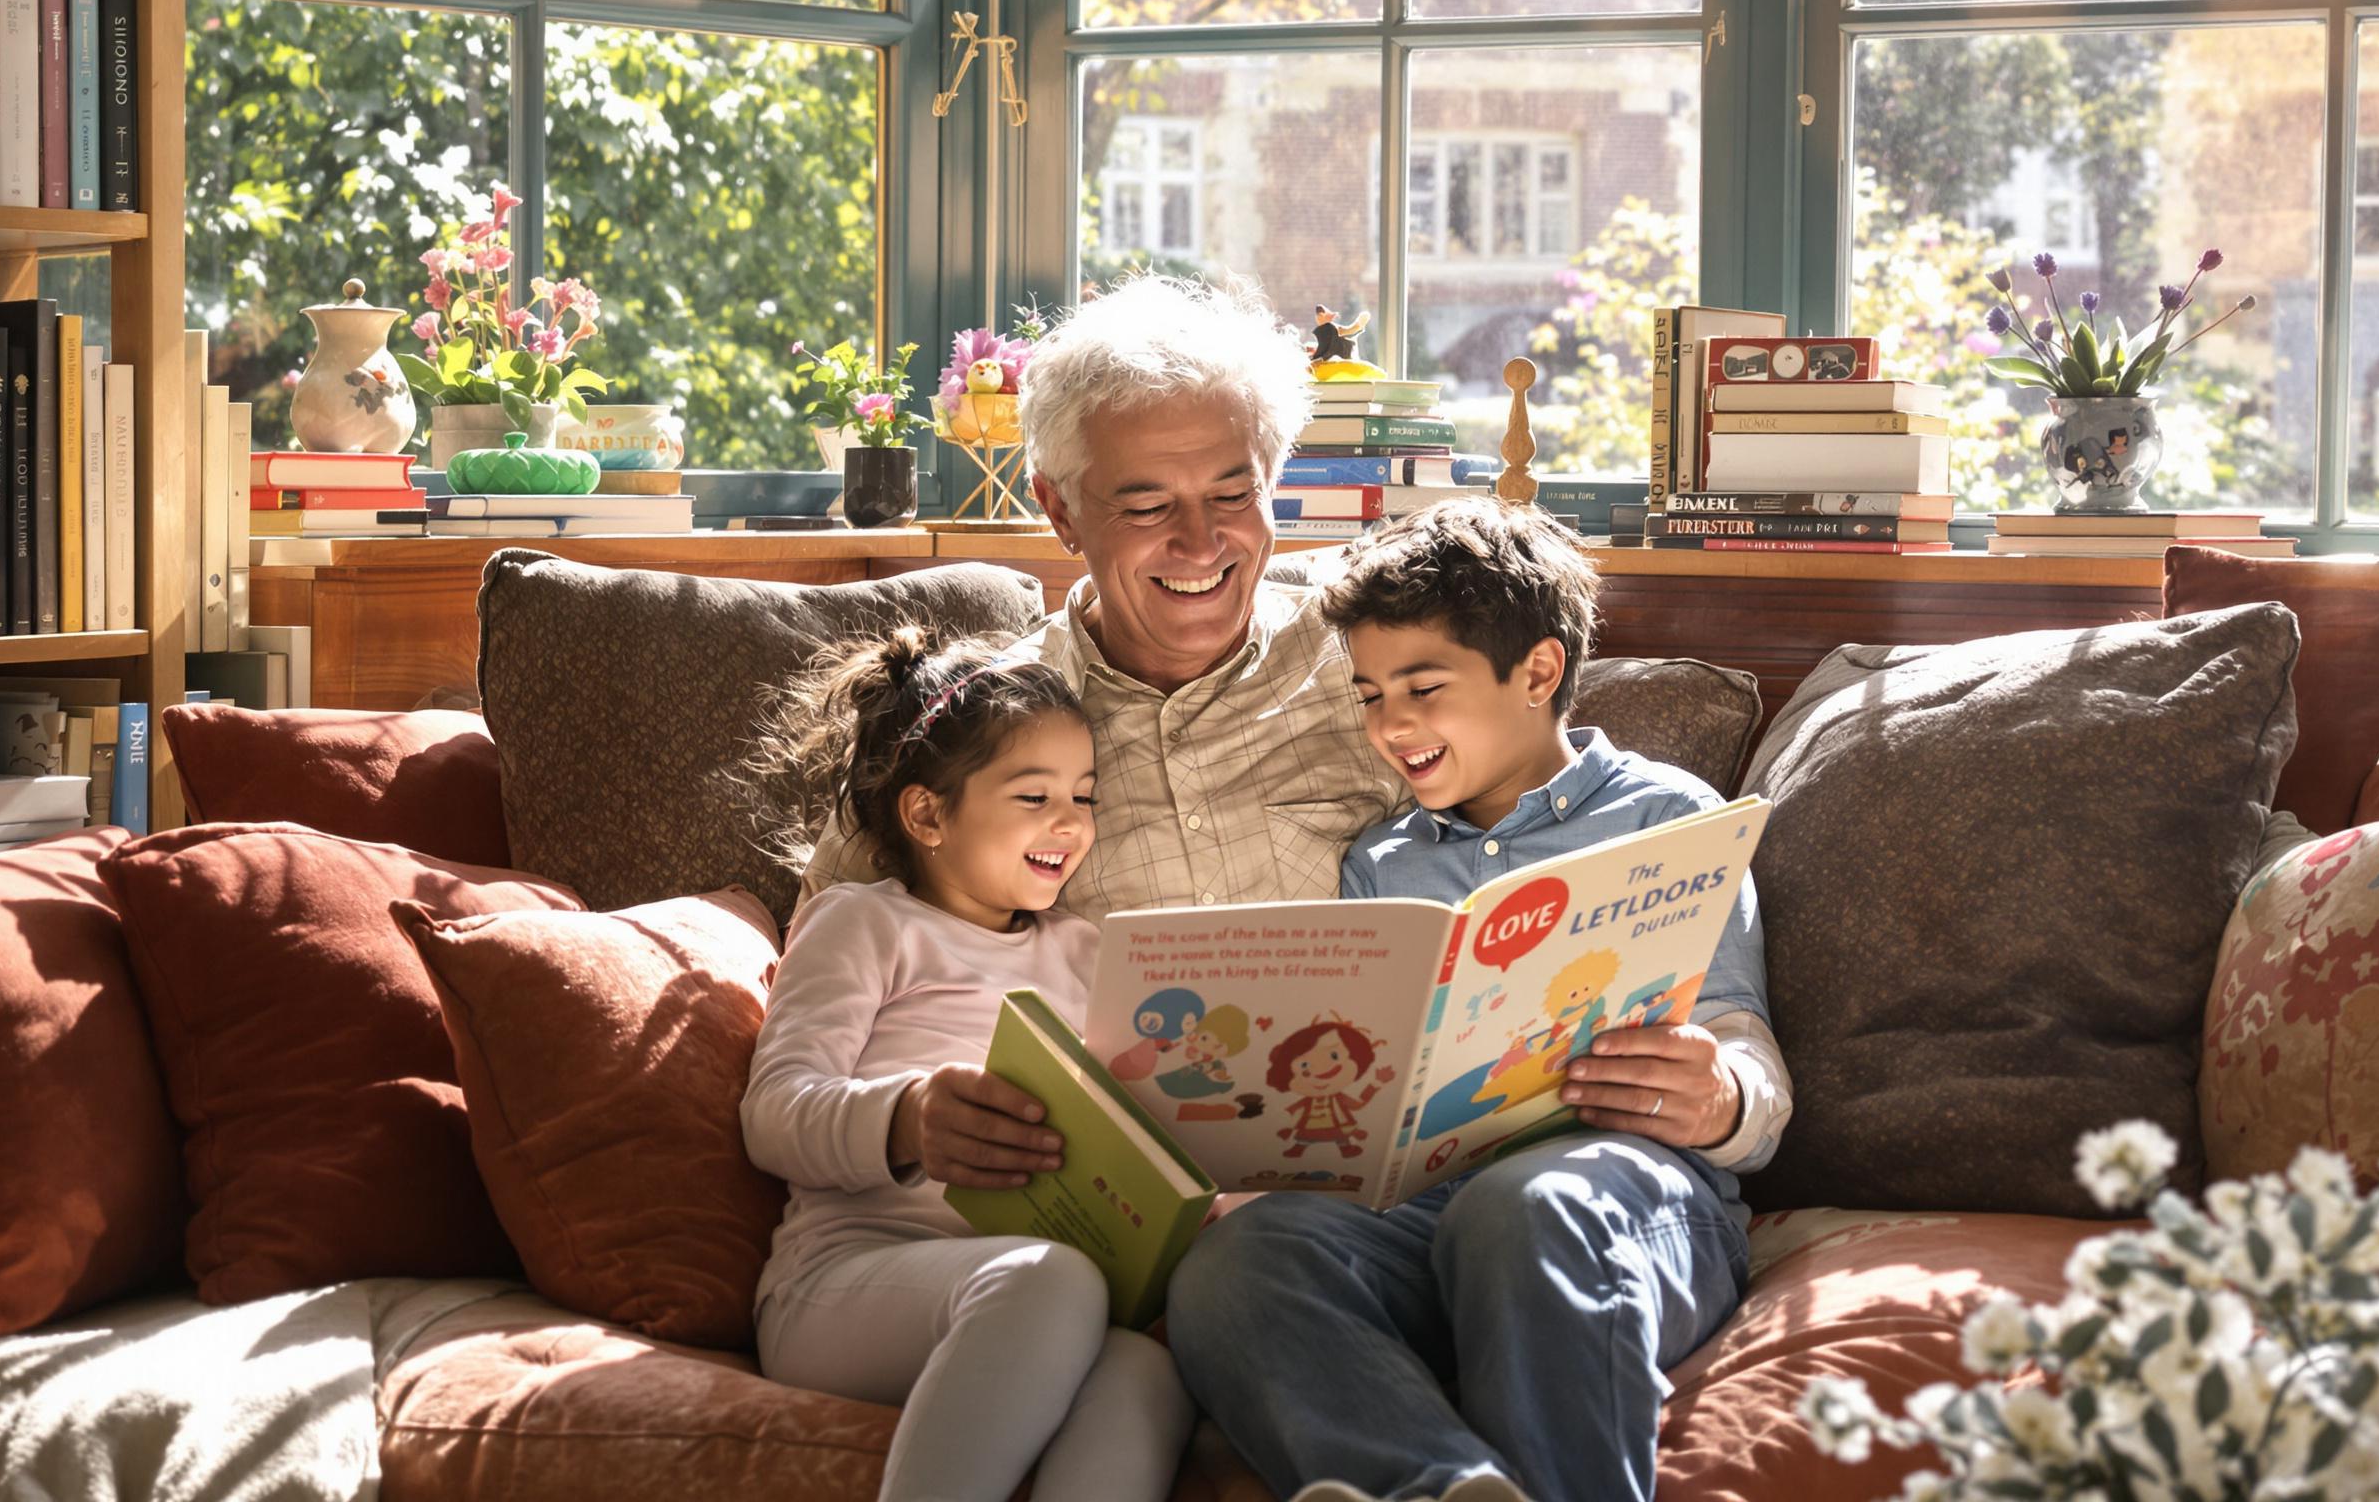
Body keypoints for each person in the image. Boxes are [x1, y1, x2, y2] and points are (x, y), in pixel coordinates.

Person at [1165, 496, 1795, 1502]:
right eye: (1370, 694)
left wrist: (1721, 1096)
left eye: (1423, 686)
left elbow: (1751, 1066)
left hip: (1625, 1208)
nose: (1390, 725)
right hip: (1427, 1214)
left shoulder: (1670, 816)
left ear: (1537, 672)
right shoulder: (1381, 862)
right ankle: (1437, 1484)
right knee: (1234, 1266)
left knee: (1520, 1203)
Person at [739, 627, 1193, 1502]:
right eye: (1033, 796)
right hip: (846, 1279)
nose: (1069, 823)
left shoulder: (1088, 954)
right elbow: (775, 1112)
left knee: (1147, 1371)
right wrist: (906, 1117)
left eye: (1083, 796)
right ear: (928, 815)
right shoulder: (863, 923)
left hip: (1043, 1286)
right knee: (1050, 1282)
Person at [800, 273, 1408, 923]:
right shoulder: (967, 725)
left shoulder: (1379, 665)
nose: (1200, 545)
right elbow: (823, 936)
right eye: (1148, 507)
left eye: (1233, 496)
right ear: (1061, 511)